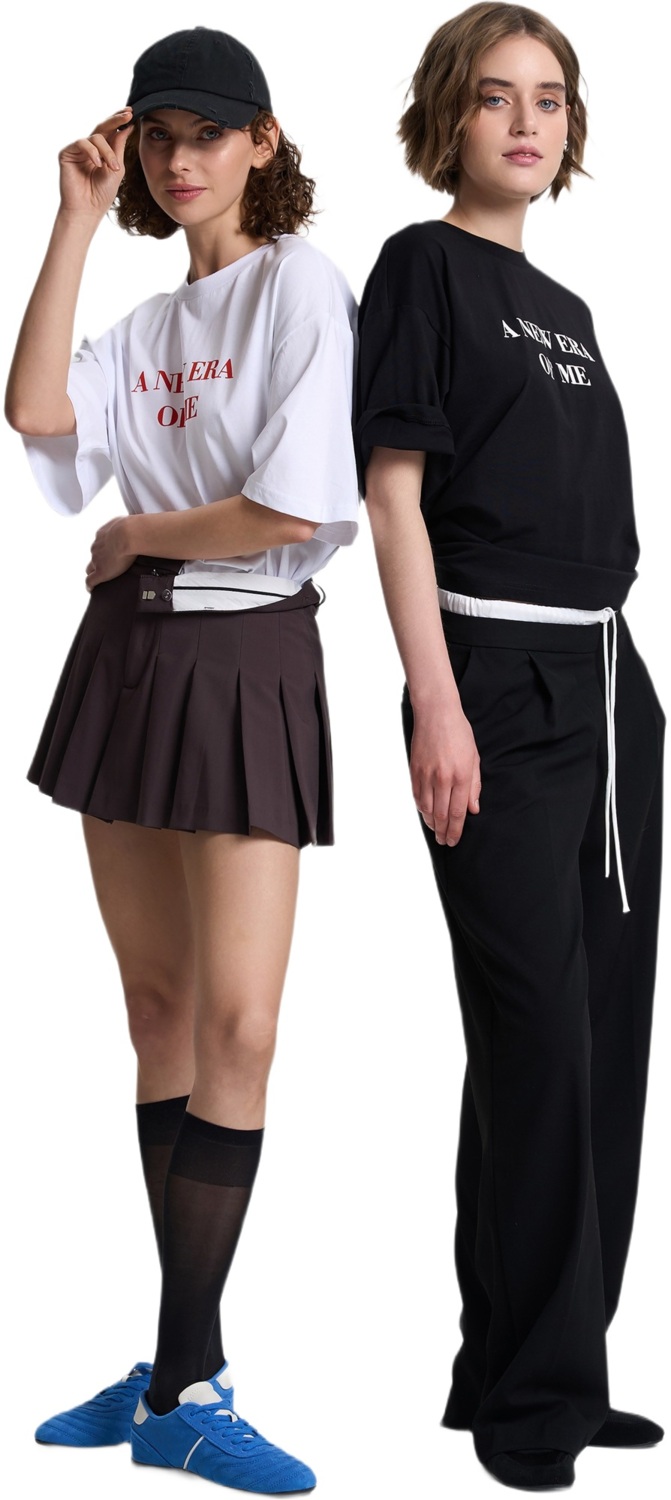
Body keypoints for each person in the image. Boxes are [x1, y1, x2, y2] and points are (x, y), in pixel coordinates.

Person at [6, 25, 358, 1494]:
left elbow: (289, 510)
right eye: (157, 135)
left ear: (262, 143)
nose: (178, 157)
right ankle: (175, 1377)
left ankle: (179, 1377)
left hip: (247, 655)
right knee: (157, 1013)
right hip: (130, 662)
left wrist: (141, 530)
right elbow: (37, 413)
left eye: (208, 132)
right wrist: (75, 218)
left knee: (242, 1028)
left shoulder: (301, 286)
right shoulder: (145, 325)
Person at [355, 2, 664, 1491]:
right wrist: (437, 699)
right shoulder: (422, 269)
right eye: (497, 97)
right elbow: (394, 495)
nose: (528, 122)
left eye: (550, 98)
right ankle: (532, 1405)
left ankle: (540, 1364)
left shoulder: (573, 312)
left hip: (607, 681)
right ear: (451, 117)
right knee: (534, 1032)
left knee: (600, 1036)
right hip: (491, 677)